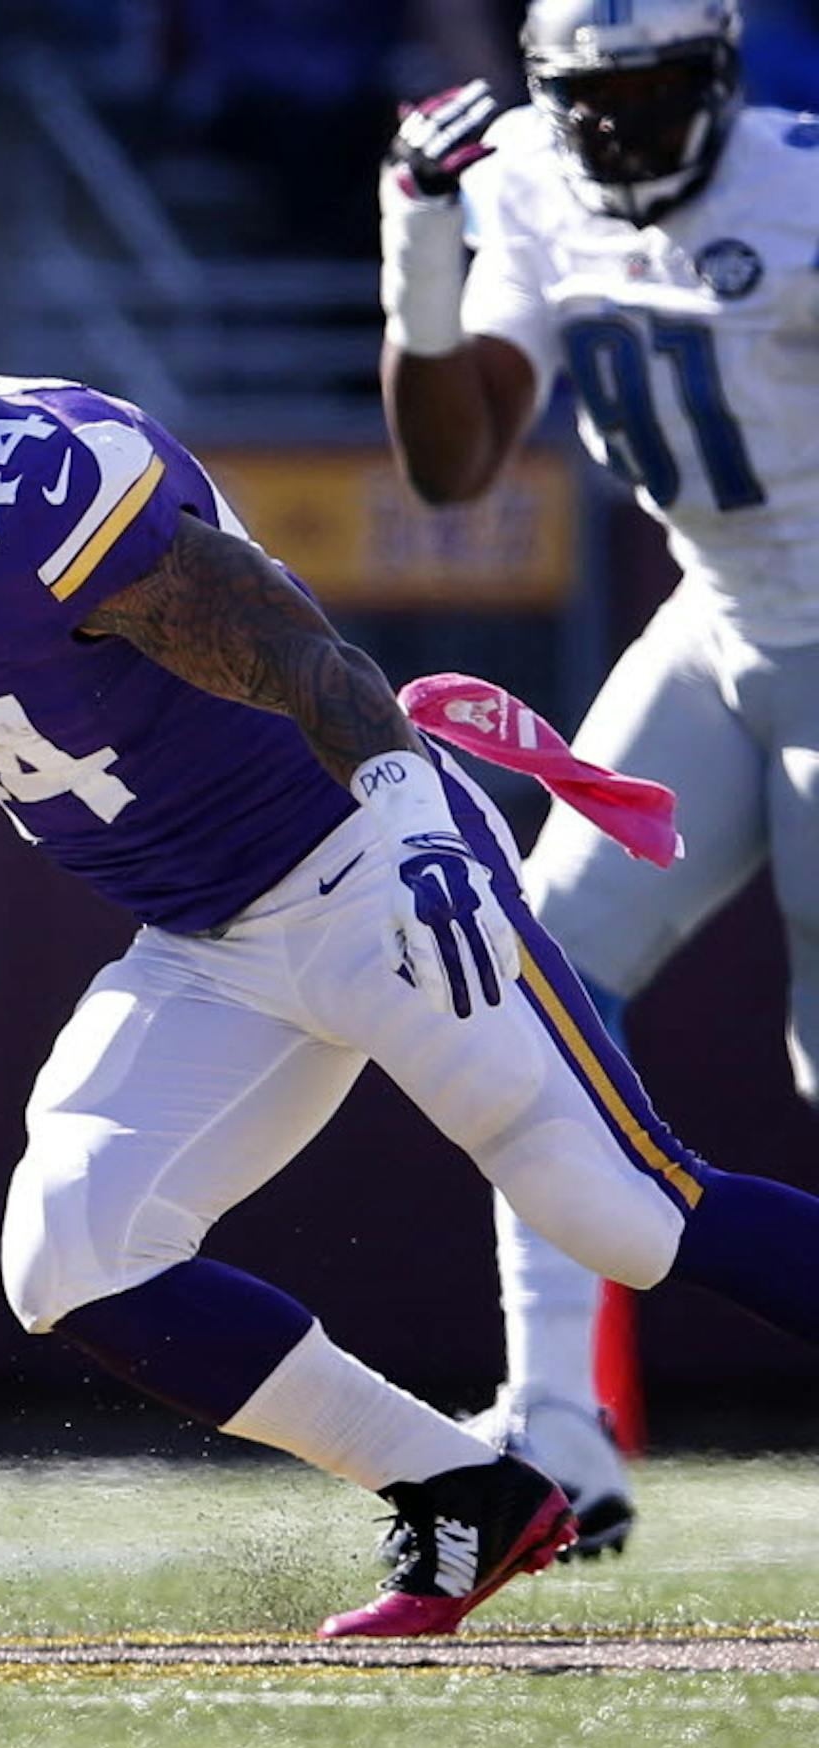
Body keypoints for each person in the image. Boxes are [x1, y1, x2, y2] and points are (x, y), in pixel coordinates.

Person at [0, 256, 819, 1637]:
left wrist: (414, 821)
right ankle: (464, 1492)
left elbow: (302, 655)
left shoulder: (43, 493)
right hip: (207, 937)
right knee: (73, 1253)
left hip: (364, 860)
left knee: (620, 1208)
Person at [378, 0, 819, 1557]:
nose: (622, 132)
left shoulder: (799, 186)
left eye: (658, 94)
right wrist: (420, 254)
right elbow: (453, 466)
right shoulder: (525, 184)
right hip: (715, 619)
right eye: (594, 100)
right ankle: (559, 1420)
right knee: (532, 979)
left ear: (723, 79)